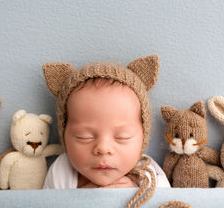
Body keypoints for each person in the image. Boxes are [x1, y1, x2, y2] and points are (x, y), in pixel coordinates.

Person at [42, 55, 170, 189]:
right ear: (64, 136)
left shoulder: (147, 173)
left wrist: (136, 192)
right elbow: (46, 207)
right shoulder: (61, 172)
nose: (103, 148)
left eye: (122, 136)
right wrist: (83, 197)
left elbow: (167, 203)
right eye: (84, 136)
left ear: (143, 138)